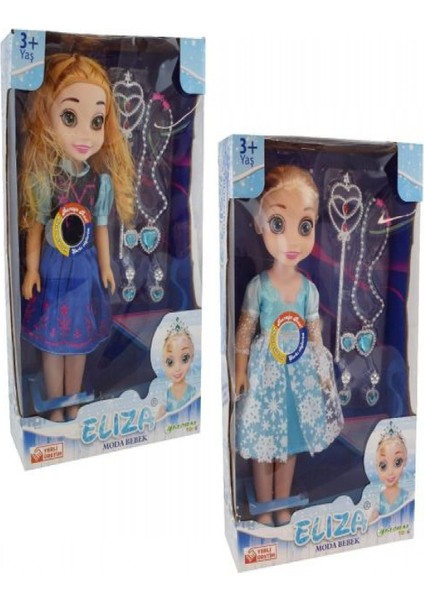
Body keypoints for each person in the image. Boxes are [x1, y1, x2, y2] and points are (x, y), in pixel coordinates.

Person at [20, 53, 134, 422]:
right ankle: (55, 406)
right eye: (70, 117)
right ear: (46, 116)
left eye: (96, 121)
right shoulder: (46, 178)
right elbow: (37, 224)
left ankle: (74, 402)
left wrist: (106, 266)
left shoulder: (99, 182)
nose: (85, 134)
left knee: (79, 344)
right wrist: (31, 269)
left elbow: (100, 227)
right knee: (53, 344)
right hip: (53, 272)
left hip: (85, 274)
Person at [235, 165, 343, 526]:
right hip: (265, 375)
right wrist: (239, 371)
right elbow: (244, 332)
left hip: (298, 375)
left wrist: (322, 373)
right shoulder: (259, 287)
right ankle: (264, 506)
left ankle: (282, 504)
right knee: (264, 442)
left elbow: (315, 336)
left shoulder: (308, 290)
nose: (292, 241)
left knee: (291, 442)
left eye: (305, 226)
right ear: (260, 223)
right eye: (279, 224)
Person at [157, 317, 196, 417]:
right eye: (170, 362)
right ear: (163, 362)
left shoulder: (192, 392)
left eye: (184, 358)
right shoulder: (166, 395)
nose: (177, 368)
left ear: (192, 357)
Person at [372, 422, 409, 519]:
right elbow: (372, 521)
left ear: (405, 461)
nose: (390, 472)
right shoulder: (379, 499)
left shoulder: (405, 496)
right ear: (377, 467)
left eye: (397, 462)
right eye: (383, 466)